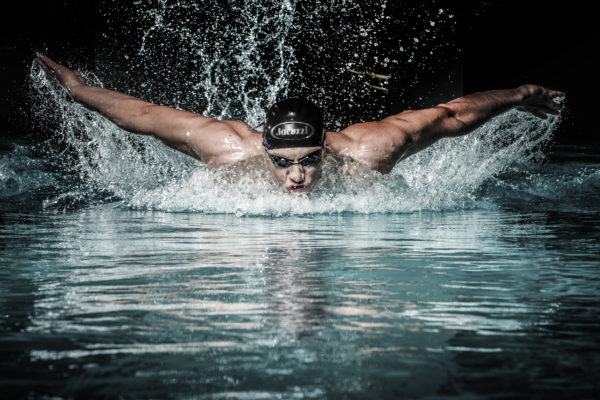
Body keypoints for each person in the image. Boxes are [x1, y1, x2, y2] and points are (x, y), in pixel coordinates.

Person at [34, 55, 565, 194]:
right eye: (283, 163)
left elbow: (451, 113)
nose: (296, 177)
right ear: (264, 150)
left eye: (309, 160)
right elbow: (143, 116)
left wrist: (521, 94)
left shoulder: (370, 149)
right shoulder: (229, 149)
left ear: (326, 148)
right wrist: (78, 90)